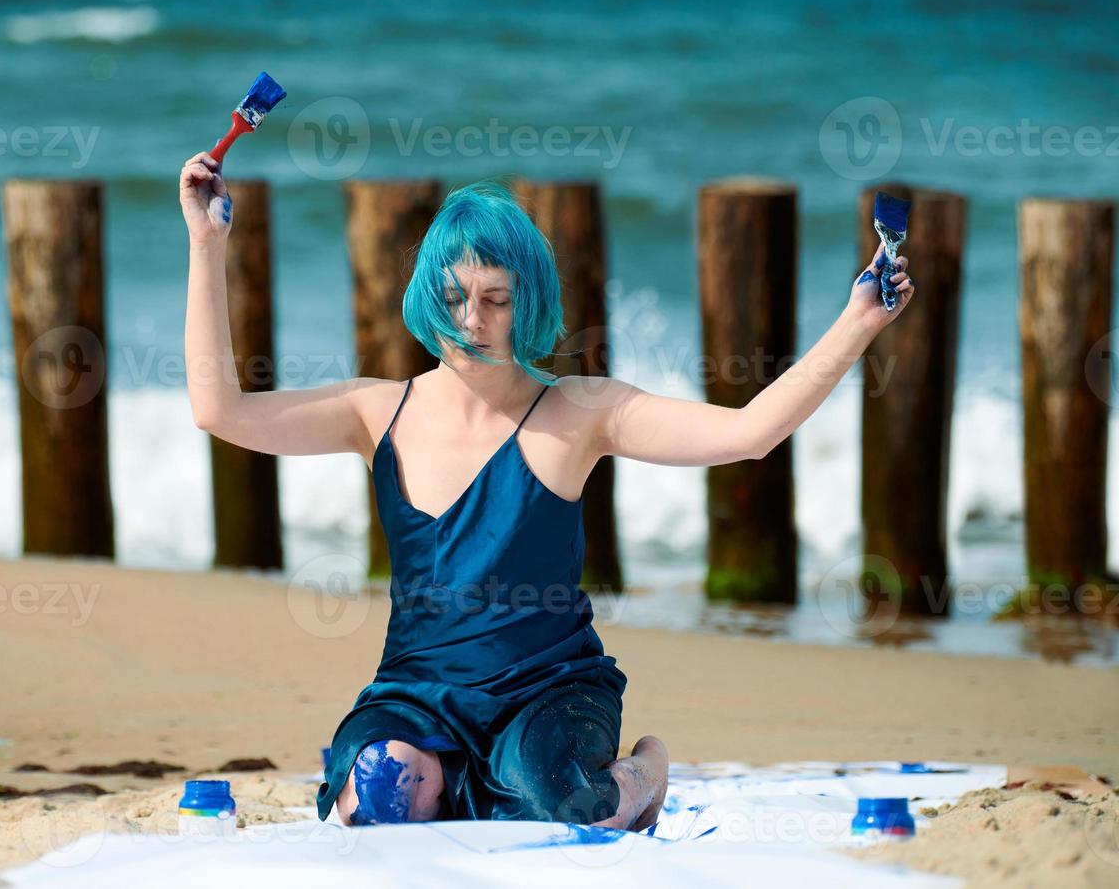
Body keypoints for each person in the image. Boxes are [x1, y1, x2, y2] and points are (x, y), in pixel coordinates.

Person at [179, 151, 914, 830]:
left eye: (496, 300)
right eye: (455, 296)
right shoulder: (378, 411)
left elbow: (749, 432)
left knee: (575, 807)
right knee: (378, 793)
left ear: (525, 303)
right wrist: (206, 245)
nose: (472, 320)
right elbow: (221, 412)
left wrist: (858, 322)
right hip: (417, 692)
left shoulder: (578, 412)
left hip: (548, 693)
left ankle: (647, 768)